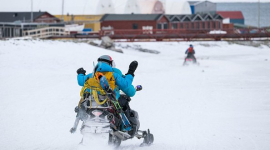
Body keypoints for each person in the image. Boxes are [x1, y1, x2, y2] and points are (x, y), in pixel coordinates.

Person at [76, 55, 141, 137]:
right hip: (110, 102)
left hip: (92, 102)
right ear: (110, 64)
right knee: (124, 104)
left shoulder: (92, 75)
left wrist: (80, 73)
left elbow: (81, 81)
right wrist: (131, 72)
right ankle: (125, 128)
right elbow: (127, 86)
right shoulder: (114, 75)